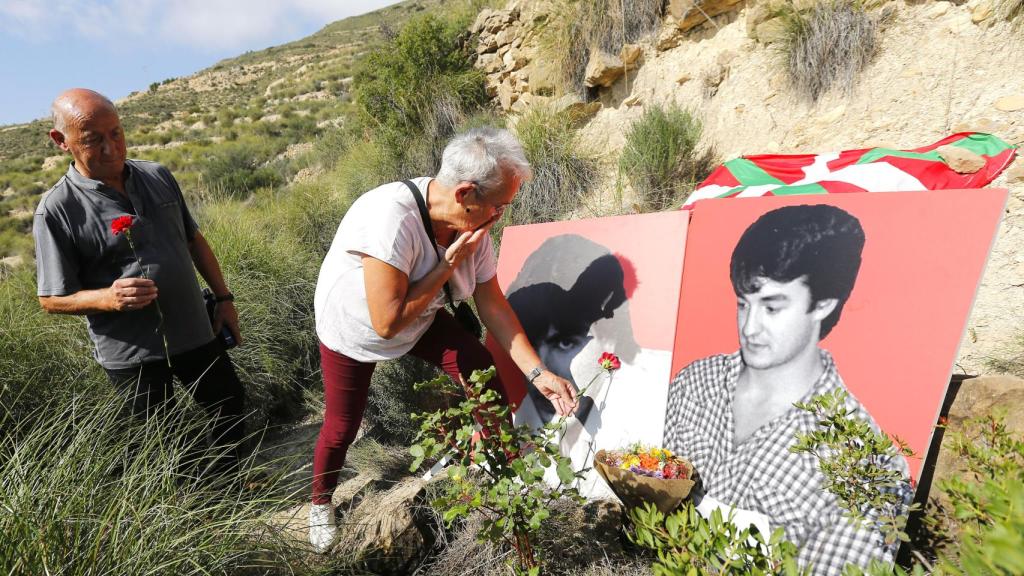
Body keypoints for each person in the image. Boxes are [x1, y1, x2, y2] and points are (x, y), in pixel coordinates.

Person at [310, 127, 578, 552]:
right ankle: (320, 503)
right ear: (465, 193)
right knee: (342, 426)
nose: (501, 215)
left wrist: (537, 372)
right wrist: (446, 265)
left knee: (477, 365)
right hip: (358, 325)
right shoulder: (392, 218)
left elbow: (493, 305)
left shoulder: (473, 224)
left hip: (420, 312)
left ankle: (507, 472)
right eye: (499, 206)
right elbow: (386, 322)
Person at [662, 204, 912, 575]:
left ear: (823, 304)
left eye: (773, 308)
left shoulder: (861, 459)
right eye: (743, 304)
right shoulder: (697, 381)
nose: (750, 328)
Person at [34, 88, 246, 473]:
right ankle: (195, 514)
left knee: (229, 406)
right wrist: (106, 298)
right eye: (92, 139)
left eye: (116, 132)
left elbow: (194, 240)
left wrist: (225, 299)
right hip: (132, 356)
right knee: (165, 442)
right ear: (60, 141)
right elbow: (51, 299)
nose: (111, 147)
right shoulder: (56, 210)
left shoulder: (157, 175)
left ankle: (235, 485)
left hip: (195, 330)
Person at [505, 234, 672, 497]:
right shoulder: (508, 426)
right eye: (529, 347)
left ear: (610, 335)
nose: (539, 369)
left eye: (565, 343)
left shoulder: (661, 388)